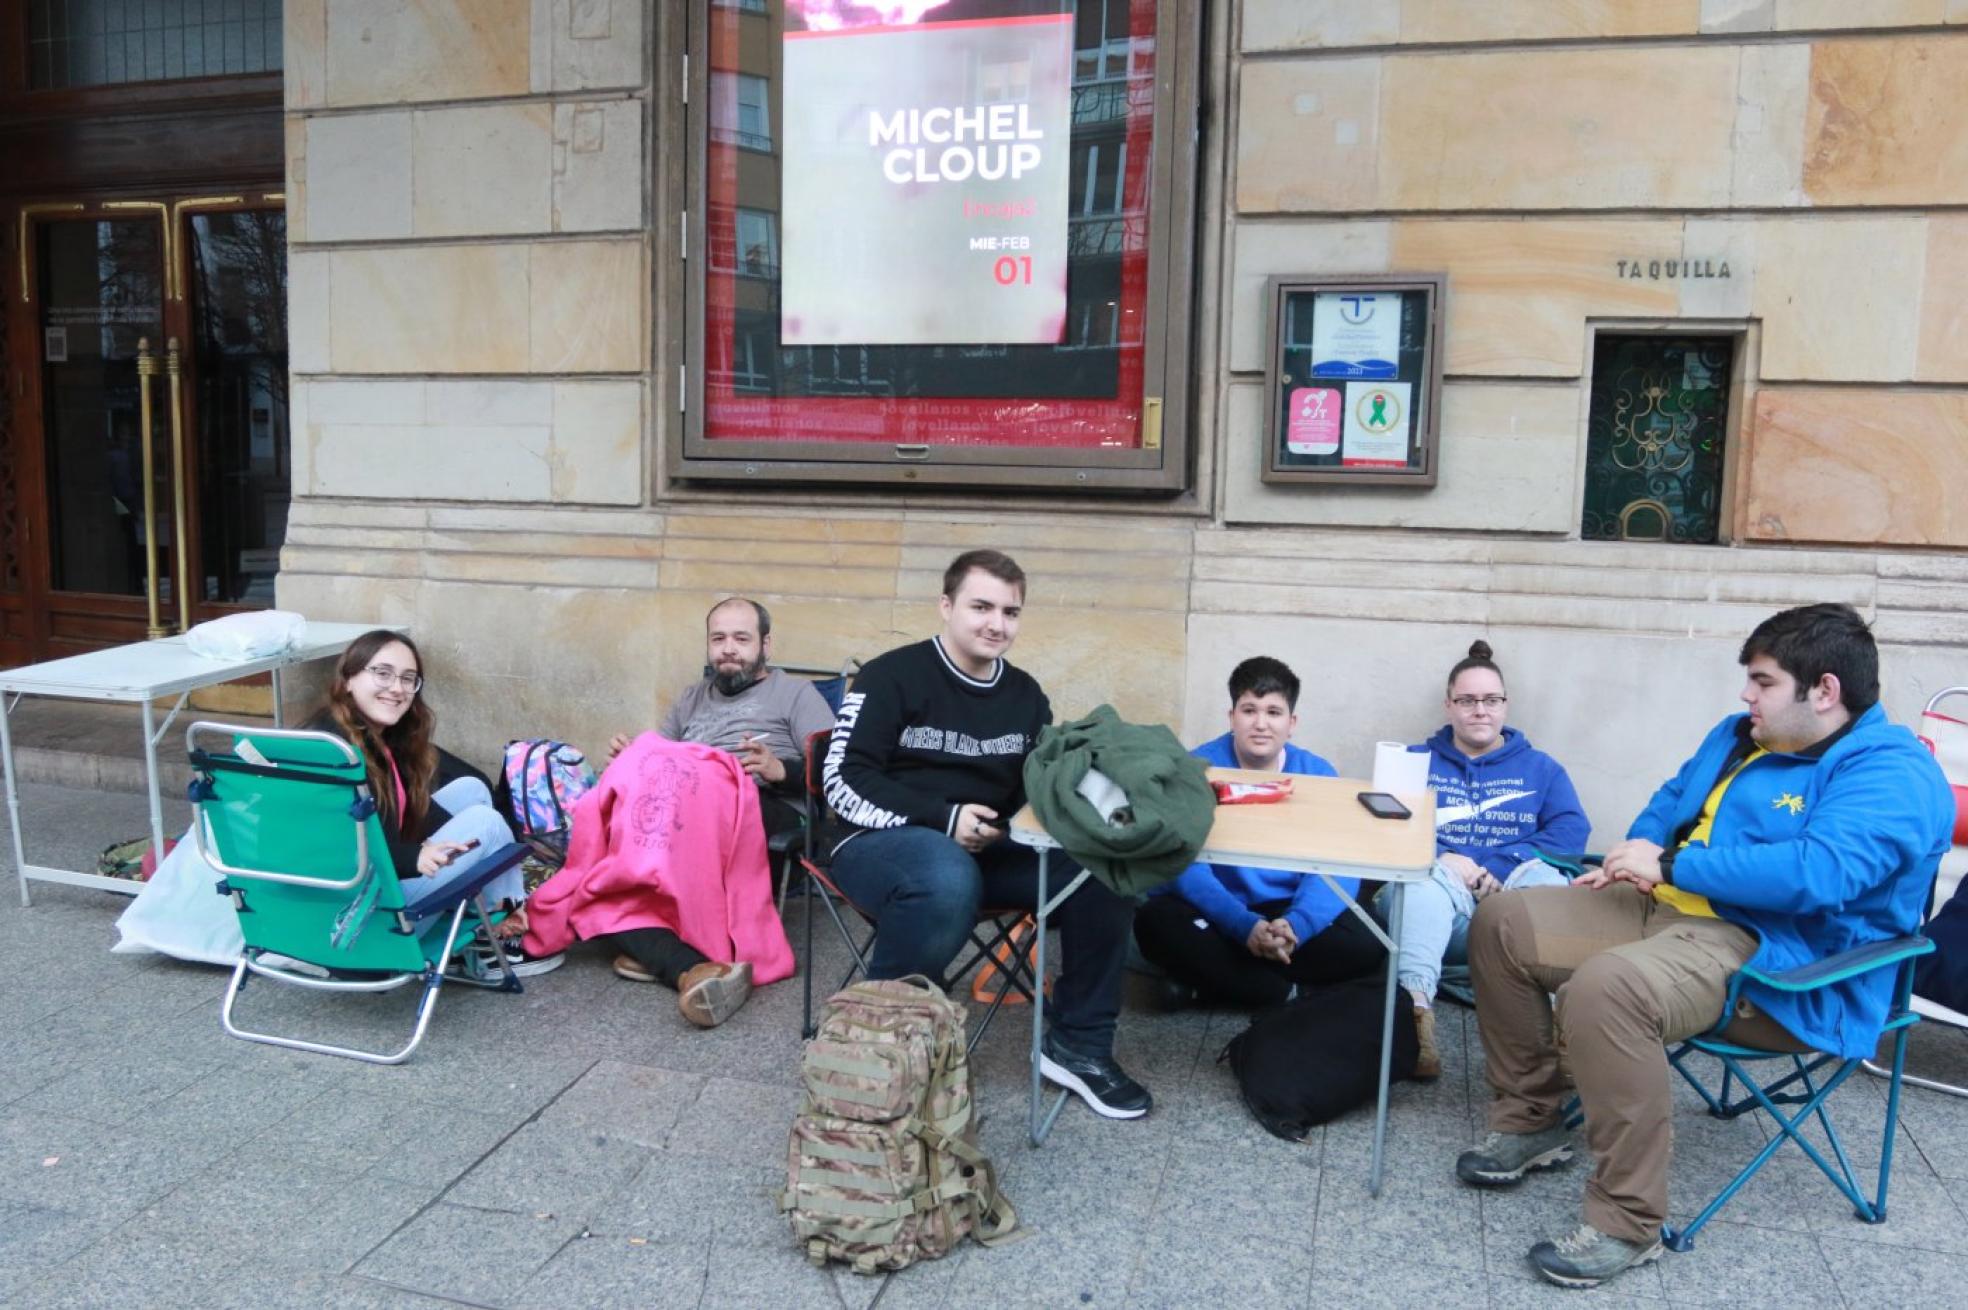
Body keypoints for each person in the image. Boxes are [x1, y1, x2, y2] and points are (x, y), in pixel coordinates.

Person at [1453, 604, 1953, 1290]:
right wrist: (1639, 849)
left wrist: (1676, 869)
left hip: (1781, 958)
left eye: (1763, 681)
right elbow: (1671, 797)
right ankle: (1533, 1116)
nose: (1747, 695)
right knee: (1502, 920)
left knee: (1607, 988)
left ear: (1825, 691)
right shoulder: (1739, 735)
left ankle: (1627, 1223)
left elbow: (1821, 874)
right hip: (1663, 908)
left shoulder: (1892, 774)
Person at [822, 549, 1151, 1120]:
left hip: (989, 848)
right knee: (944, 873)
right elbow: (841, 779)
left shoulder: (1025, 694)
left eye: (1010, 611)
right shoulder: (890, 675)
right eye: (981, 606)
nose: (997, 624)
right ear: (946, 606)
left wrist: (1108, 804)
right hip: (880, 843)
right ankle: (888, 1045)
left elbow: (1036, 787)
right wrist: (944, 818)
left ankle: (1080, 1046)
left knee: (1104, 869)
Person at [600, 596, 833, 1017]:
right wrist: (633, 760)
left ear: (766, 645)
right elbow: (662, 762)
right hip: (686, 812)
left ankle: (659, 950)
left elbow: (838, 769)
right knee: (606, 844)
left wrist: (782, 769)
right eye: (718, 638)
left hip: (768, 807)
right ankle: (688, 966)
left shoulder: (796, 693)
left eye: (741, 638)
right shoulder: (692, 698)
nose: (728, 648)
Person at [1382, 640, 1588, 1079]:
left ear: (1505, 706)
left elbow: (1571, 834)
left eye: (1491, 700)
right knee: (1420, 880)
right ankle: (1414, 1022)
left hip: (1512, 914)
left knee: (1548, 880)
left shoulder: (1541, 768)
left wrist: (1500, 865)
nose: (1480, 710)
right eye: (1468, 700)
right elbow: (1384, 831)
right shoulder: (1414, 763)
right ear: (1449, 705)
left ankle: (1562, 1030)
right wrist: (1443, 857)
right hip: (1440, 917)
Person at [1133, 656, 1384, 1009]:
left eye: (1273, 712)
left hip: (1287, 908)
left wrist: (1296, 926)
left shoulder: (1318, 772)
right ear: (1231, 717)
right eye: (1249, 710)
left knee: (1368, 941)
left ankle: (1216, 984)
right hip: (1220, 911)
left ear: (1292, 722)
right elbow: (1183, 865)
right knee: (1154, 923)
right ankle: (1281, 991)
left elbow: (1338, 865)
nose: (1261, 724)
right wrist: (1243, 926)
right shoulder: (1194, 768)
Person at [306, 629, 562, 975]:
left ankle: (491, 910)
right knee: (487, 823)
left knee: (471, 790)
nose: (397, 688)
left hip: (372, 889)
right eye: (382, 673)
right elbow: (338, 850)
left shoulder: (362, 736)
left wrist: (448, 847)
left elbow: (406, 814)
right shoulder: (335, 755)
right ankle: (494, 935)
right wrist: (416, 857)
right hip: (360, 925)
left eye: (408, 679)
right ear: (349, 678)